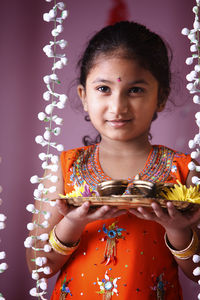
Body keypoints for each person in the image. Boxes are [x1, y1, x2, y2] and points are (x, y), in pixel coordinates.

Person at [26, 21, 200, 299]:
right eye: (104, 89)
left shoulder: (184, 171)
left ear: (161, 97)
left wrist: (177, 229)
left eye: (135, 90)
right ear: (84, 96)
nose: (118, 107)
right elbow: (38, 267)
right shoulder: (62, 170)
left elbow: (197, 271)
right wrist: (72, 224)